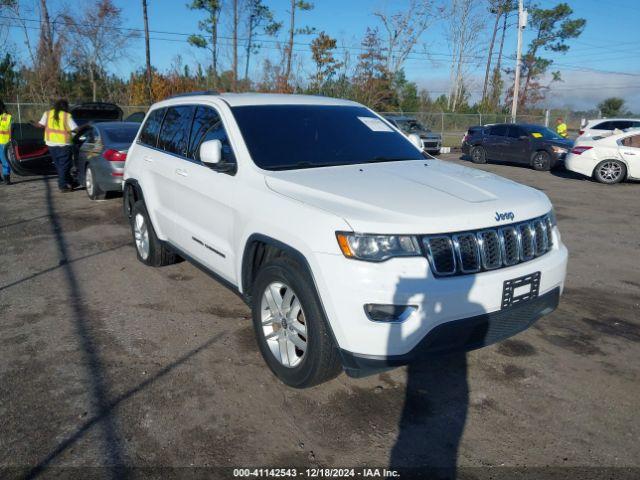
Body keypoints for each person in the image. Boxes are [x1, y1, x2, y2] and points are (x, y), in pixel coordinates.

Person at [34, 99, 78, 192]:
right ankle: (63, 186)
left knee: (59, 165)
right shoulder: (67, 116)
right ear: (65, 107)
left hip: (51, 144)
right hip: (64, 144)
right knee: (65, 166)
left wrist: (33, 124)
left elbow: (40, 125)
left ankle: (70, 181)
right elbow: (75, 129)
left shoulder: (48, 114)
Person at [0, 100, 12, 185]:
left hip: (4, 141)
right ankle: (6, 178)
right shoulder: (8, 117)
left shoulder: (7, 117)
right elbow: (11, 129)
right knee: (5, 160)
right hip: (5, 141)